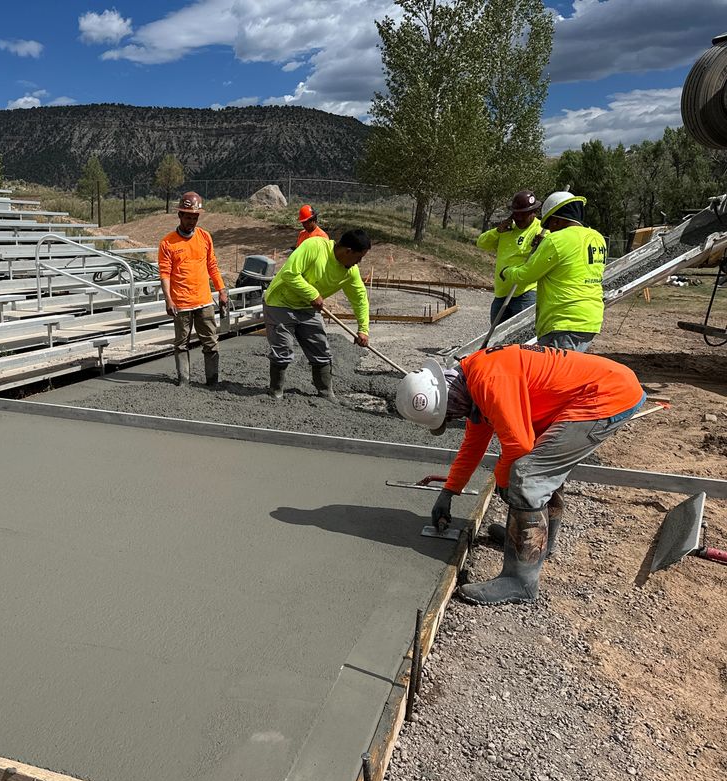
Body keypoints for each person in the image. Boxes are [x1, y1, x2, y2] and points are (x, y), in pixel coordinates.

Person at [395, 344, 645, 606]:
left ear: (451, 399)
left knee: (528, 474)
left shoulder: (488, 381)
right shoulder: (473, 380)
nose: (454, 419)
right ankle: (536, 544)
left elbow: (519, 446)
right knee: (541, 464)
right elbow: (473, 446)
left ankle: (519, 582)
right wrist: (449, 491)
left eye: (450, 415)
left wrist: (504, 482)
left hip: (605, 395)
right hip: (603, 388)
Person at [262, 229, 372, 401]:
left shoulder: (350, 271)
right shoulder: (314, 246)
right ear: (347, 251)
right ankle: (275, 391)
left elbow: (360, 299)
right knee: (283, 350)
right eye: (359, 257)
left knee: (321, 350)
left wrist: (363, 329)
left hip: (308, 308)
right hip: (280, 303)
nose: (359, 262)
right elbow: (289, 273)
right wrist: (312, 294)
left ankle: (326, 392)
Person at [498, 191, 607, 352]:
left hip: (564, 319)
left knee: (554, 368)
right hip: (590, 318)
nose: (550, 230)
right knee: (567, 365)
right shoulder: (597, 238)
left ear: (556, 220)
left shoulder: (556, 239)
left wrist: (506, 271)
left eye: (549, 226)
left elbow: (526, 275)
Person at [157, 191, 229, 386]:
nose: (191, 221)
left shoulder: (204, 237)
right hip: (181, 303)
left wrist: (222, 290)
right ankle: (184, 380)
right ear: (180, 215)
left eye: (195, 217)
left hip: (204, 301)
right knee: (181, 344)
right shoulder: (167, 243)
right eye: (188, 217)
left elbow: (212, 265)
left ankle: (212, 381)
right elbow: (165, 274)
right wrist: (168, 299)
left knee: (211, 342)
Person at [476, 190, 542, 326]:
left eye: (523, 214)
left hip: (526, 293)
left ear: (533, 212)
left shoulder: (541, 231)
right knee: (497, 334)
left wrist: (543, 244)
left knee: (522, 334)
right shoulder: (506, 229)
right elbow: (481, 243)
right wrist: (497, 231)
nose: (519, 218)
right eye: (516, 214)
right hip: (502, 293)